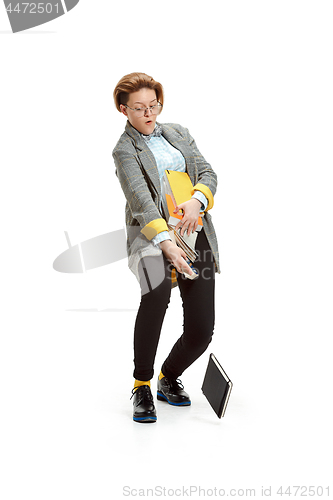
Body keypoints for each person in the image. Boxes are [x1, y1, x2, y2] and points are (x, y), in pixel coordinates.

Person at [112, 72, 220, 423]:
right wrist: (166, 244)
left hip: (192, 229)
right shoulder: (124, 149)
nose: (148, 114)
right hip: (150, 235)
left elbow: (207, 172)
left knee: (202, 330)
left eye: (154, 106)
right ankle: (141, 384)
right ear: (123, 109)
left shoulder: (179, 133)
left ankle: (168, 377)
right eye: (139, 108)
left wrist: (197, 201)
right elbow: (141, 200)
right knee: (157, 293)